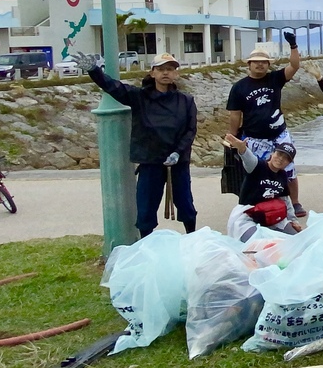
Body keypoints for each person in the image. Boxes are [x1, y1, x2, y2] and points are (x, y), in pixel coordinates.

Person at [75, 51, 197, 238]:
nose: (165, 73)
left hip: (178, 162)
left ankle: (192, 238)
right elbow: (113, 87)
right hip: (150, 162)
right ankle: (145, 244)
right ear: (152, 73)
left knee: (186, 205)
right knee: (146, 210)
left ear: (176, 74)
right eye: (161, 69)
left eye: (170, 69)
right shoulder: (139, 97)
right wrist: (94, 71)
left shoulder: (186, 100)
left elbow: (190, 130)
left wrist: (178, 153)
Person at [227, 33, 306, 217]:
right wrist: (233, 138)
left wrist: (293, 45)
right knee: (256, 171)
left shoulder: (275, 79)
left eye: (264, 62)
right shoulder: (239, 87)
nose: (260, 64)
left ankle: (294, 202)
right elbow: (234, 115)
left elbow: (294, 66)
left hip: (279, 134)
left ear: (269, 65)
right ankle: (255, 200)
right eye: (256, 61)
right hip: (254, 136)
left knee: (288, 169)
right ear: (249, 64)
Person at [224, 135, 302, 242]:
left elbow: (286, 201)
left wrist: (293, 221)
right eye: (279, 154)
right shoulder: (257, 167)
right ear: (272, 153)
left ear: (289, 163)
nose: (280, 159)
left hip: (272, 215)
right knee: (257, 244)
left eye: (286, 158)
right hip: (248, 216)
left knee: (296, 241)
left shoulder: (283, 175)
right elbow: (248, 159)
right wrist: (242, 149)